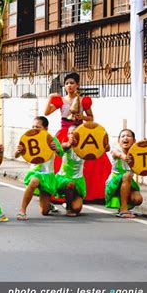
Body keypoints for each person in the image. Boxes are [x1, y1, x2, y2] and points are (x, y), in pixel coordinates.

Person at [44, 72, 111, 202]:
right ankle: (57, 190)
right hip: (64, 133)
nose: (69, 86)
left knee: (91, 160)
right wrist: (51, 97)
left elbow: (91, 118)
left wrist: (83, 117)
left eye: (72, 83)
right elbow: (46, 112)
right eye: (67, 83)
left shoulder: (83, 100)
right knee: (58, 159)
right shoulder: (61, 100)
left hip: (80, 132)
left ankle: (90, 192)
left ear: (77, 85)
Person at [14, 116, 63, 221]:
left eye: (38, 127)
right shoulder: (28, 137)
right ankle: (22, 211)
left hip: (48, 174)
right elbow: (16, 155)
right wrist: (18, 151)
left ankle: (48, 205)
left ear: (46, 128)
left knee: (44, 212)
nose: (34, 129)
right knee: (33, 182)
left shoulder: (52, 139)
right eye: (33, 126)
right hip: (35, 172)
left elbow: (61, 153)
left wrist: (56, 149)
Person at [105, 129, 143, 218]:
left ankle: (124, 206)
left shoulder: (137, 153)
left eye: (129, 136)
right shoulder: (116, 150)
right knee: (127, 175)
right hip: (113, 183)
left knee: (138, 199)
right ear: (119, 141)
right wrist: (123, 156)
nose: (125, 138)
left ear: (134, 141)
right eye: (123, 136)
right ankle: (123, 209)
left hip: (128, 182)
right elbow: (116, 153)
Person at [55, 125, 86, 217]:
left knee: (77, 209)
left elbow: (100, 150)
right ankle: (68, 208)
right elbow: (63, 147)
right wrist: (69, 144)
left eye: (73, 132)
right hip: (63, 179)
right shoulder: (66, 145)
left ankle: (69, 203)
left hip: (78, 180)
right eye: (69, 133)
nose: (71, 135)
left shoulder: (85, 147)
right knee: (70, 184)